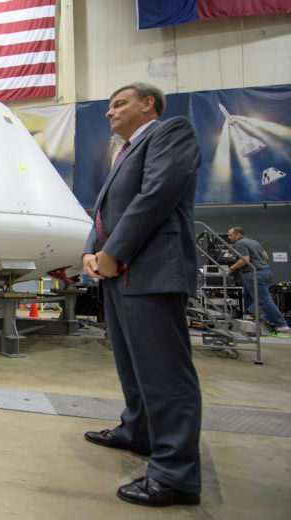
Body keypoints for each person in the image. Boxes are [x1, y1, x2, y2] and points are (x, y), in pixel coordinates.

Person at [81, 82, 203, 507]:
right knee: (131, 363)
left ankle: (176, 474)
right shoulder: (123, 151)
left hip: (151, 268)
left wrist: (113, 251)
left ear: (147, 104)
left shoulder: (171, 132)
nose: (110, 112)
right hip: (119, 273)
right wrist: (89, 253)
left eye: (119, 103)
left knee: (165, 374)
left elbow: (156, 196)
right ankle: (139, 431)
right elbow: (103, 210)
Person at [227, 227, 290, 332]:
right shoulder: (254, 242)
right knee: (245, 298)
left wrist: (231, 269)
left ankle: (282, 324)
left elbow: (244, 260)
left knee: (264, 300)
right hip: (265, 272)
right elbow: (265, 257)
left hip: (254, 274)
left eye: (230, 235)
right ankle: (240, 318)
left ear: (238, 235)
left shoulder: (240, 243)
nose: (229, 237)